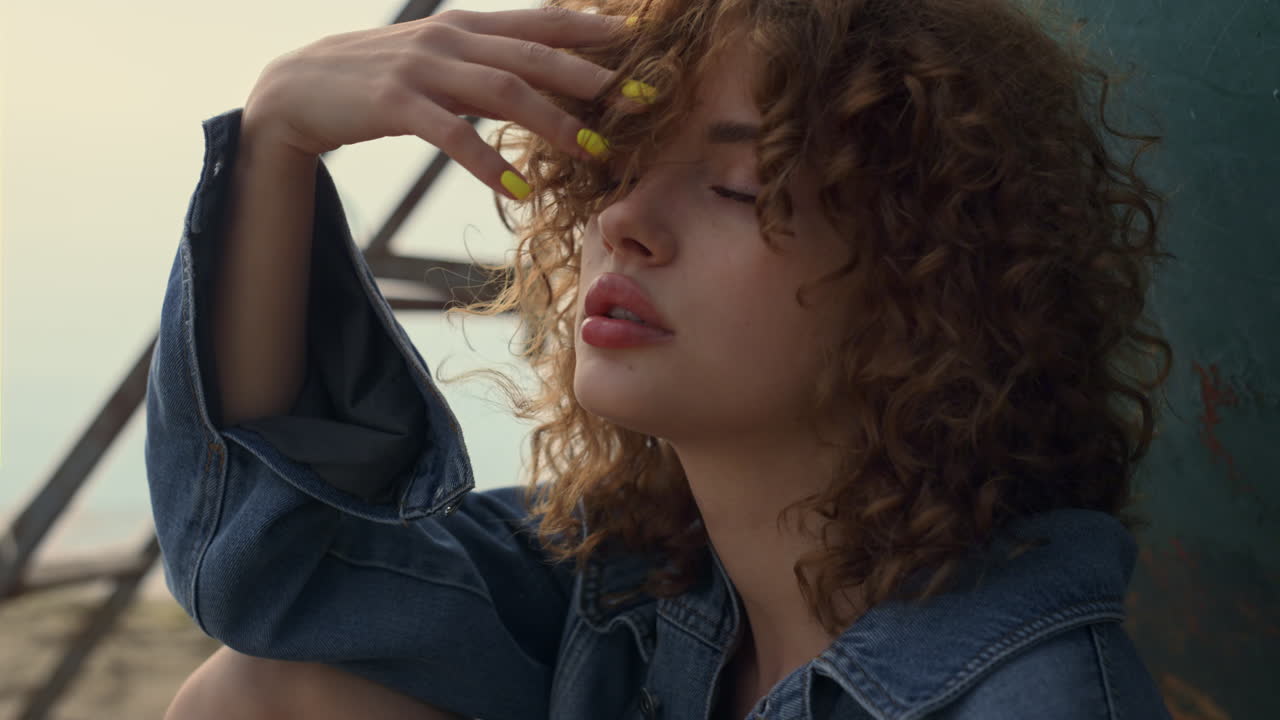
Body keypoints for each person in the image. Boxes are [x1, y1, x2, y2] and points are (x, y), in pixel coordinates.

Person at [147, 0, 1178, 718]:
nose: (625, 221)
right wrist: (277, 138)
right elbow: (279, 580)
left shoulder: (1030, 699)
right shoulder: (638, 582)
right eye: (617, 165)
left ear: (931, 282)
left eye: (734, 186)